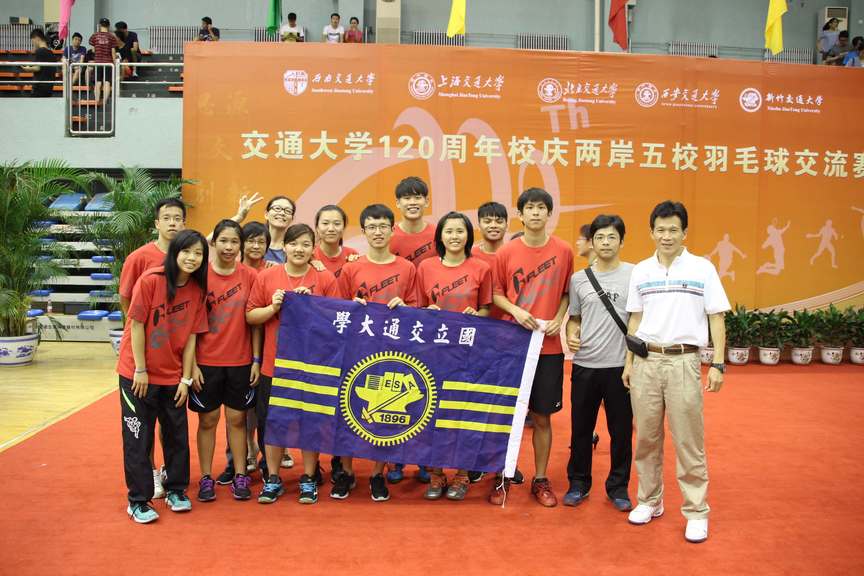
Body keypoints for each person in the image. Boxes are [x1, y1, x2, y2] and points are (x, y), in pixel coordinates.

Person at [623, 200, 729, 544]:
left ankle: (696, 511)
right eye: (660, 230)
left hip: (684, 361)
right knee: (646, 438)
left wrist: (717, 364)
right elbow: (635, 318)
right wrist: (629, 362)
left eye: (673, 230)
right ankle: (649, 500)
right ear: (651, 232)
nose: (666, 236)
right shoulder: (641, 270)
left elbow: (716, 316)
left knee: (688, 440)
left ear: (685, 233)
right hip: (646, 362)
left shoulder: (702, 268)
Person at [116, 230, 209, 523]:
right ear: (174, 253)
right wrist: (141, 369)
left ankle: (176, 490)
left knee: (176, 435)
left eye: (198, 253)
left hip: (173, 376)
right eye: (187, 251)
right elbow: (136, 325)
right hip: (138, 374)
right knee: (138, 438)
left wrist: (185, 378)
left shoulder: (197, 289)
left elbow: (192, 336)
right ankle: (138, 500)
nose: (192, 258)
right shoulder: (150, 280)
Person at [491, 187, 573, 507]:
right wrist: (516, 311)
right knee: (505, 417)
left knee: (542, 417)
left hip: (548, 348)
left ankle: (540, 478)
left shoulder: (563, 251)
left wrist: (559, 318)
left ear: (549, 214)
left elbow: (566, 293)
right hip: (511, 346)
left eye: (541, 208)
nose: (536, 213)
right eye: (530, 208)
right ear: (520, 214)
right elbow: (496, 294)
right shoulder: (506, 252)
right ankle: (502, 475)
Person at [332, 204, 419, 502]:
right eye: (371, 227)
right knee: (347, 411)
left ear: (392, 230)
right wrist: (351, 307)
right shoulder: (351, 269)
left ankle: (377, 474)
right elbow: (338, 312)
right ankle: (346, 472)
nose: (378, 232)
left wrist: (405, 308)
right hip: (356, 351)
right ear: (363, 231)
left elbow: (417, 310)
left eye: (383, 226)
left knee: (385, 414)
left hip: (392, 354)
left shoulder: (407, 268)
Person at [247, 224, 339, 505]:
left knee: (310, 423)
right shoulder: (267, 277)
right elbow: (251, 316)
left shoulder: (324, 279)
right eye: (294, 244)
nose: (299, 249)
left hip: (312, 366)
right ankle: (273, 478)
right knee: (272, 423)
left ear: (313, 248)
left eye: (305, 244)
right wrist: (273, 307)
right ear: (284, 247)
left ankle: (309, 477)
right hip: (274, 366)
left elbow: (337, 322)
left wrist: (314, 307)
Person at [417, 212, 493, 501]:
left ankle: (462, 475)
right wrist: (428, 313)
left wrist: (477, 315)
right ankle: (436, 474)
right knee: (433, 414)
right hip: (434, 353)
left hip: (468, 353)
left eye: (460, 231)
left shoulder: (481, 268)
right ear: (440, 236)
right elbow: (418, 309)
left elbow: (487, 309)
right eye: (449, 231)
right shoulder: (425, 267)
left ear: (468, 235)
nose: (454, 236)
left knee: (463, 414)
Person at [563, 214, 634, 512]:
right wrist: (571, 334)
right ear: (592, 242)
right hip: (586, 364)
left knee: (621, 431)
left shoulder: (634, 275)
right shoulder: (579, 279)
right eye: (600, 237)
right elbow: (574, 318)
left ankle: (618, 487)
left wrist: (632, 362)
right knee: (581, 429)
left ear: (622, 241)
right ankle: (578, 483)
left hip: (621, 367)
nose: (606, 243)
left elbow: (639, 320)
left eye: (612, 237)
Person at [189, 220, 261, 503]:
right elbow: (190, 324)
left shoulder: (250, 276)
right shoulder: (199, 276)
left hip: (240, 361)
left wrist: (256, 359)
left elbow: (255, 322)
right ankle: (206, 476)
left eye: (234, 242)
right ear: (213, 242)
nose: (229, 247)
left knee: (237, 419)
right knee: (208, 420)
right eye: (223, 241)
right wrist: (192, 364)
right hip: (206, 362)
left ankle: (241, 474)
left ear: (240, 245)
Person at [215, 220, 271, 485]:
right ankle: (234, 462)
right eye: (250, 240)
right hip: (227, 355)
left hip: (259, 354)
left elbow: (258, 322)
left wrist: (257, 358)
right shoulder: (224, 270)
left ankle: (265, 462)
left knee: (260, 412)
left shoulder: (269, 273)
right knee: (236, 415)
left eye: (261, 242)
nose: (255, 246)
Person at [119, 198, 187, 317]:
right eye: (166, 218)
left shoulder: (189, 258)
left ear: (184, 224)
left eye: (177, 219)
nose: (172, 223)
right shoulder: (137, 257)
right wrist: (135, 324)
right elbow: (125, 297)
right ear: (157, 224)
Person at [390, 176, 436, 268]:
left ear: (427, 201)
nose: (412, 202)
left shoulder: (438, 234)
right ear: (398, 203)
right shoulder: (388, 236)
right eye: (407, 198)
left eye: (418, 197)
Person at [313, 205, 358, 278]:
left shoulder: (352, 254)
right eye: (325, 223)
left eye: (337, 224)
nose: (331, 229)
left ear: (344, 228)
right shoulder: (310, 256)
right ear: (317, 228)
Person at [89, 18, 120, 108]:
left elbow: (93, 50)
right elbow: (113, 52)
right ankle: (104, 101)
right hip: (108, 62)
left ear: (100, 25)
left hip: (98, 62)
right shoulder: (112, 37)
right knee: (107, 82)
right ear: (108, 26)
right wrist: (114, 63)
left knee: (98, 82)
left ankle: (97, 101)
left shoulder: (94, 36)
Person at [22, 29, 55, 98]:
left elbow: (38, 68)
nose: (33, 44)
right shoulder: (51, 53)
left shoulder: (40, 51)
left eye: (33, 41)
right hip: (49, 88)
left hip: (39, 88)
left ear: (37, 38)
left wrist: (27, 69)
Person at [263, 196, 296, 264]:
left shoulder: (294, 247)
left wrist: (279, 268)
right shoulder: (253, 240)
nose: (282, 213)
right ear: (266, 214)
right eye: (277, 208)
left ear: (292, 219)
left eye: (288, 211)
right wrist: (240, 217)